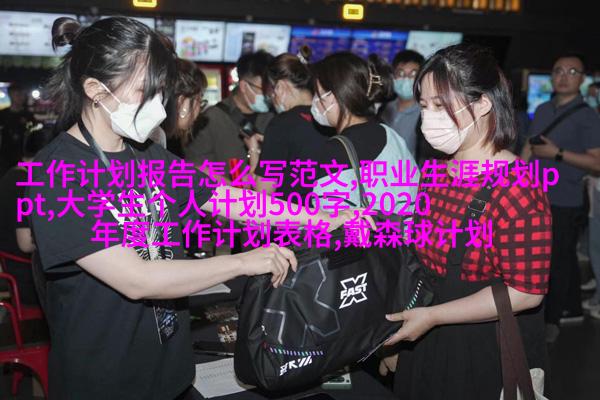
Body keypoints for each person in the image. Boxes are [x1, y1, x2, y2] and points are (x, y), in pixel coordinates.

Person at [30, 17, 361, 399]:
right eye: (144, 91)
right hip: (105, 377)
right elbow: (137, 279)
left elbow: (227, 199)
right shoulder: (56, 173)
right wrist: (243, 262)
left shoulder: (146, 154)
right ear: (95, 90)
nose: (158, 107)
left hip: (167, 368)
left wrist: (322, 218)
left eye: (161, 92)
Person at [380, 44, 552, 400]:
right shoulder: (434, 172)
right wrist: (397, 340)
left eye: (440, 105)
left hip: (480, 347)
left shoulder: (518, 187)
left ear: (483, 104)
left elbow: (527, 292)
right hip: (423, 332)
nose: (429, 118)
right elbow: (419, 261)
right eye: (424, 106)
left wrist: (434, 316)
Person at [521, 53, 600, 340]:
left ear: (582, 79)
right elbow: (530, 147)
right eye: (558, 71)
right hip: (534, 196)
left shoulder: (588, 116)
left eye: (572, 72)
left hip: (565, 199)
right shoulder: (543, 108)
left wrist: (558, 154)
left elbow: (597, 163)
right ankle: (566, 308)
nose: (564, 76)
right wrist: (515, 176)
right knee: (541, 258)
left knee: (557, 260)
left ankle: (553, 318)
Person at [309, 52, 419, 212]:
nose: (314, 101)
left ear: (333, 96)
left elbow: (331, 220)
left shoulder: (337, 150)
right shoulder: (390, 134)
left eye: (317, 94)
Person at [248, 46, 331, 201]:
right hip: (328, 210)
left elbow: (263, 192)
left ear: (280, 87)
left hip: (293, 214)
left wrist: (253, 152)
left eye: (271, 95)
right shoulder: (329, 117)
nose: (273, 102)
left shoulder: (281, 124)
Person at [184, 50, 274, 177]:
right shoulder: (210, 120)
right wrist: (233, 186)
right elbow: (197, 168)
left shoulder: (274, 119)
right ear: (244, 86)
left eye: (272, 89)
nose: (269, 95)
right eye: (263, 90)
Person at [0, 122, 53, 306]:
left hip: (13, 269)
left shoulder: (13, 175)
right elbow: (26, 243)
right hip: (25, 277)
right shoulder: (26, 184)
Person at [379, 50, 424, 159]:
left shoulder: (424, 114)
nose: (406, 79)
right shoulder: (384, 109)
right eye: (401, 73)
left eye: (413, 74)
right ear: (393, 76)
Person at [163, 58, 208, 156]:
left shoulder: (157, 136)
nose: (199, 110)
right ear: (181, 101)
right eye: (199, 100)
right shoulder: (164, 144)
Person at [0, 83, 37, 175]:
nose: (20, 97)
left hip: (24, 158)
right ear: (10, 95)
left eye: (22, 94)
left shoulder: (29, 116)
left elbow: (35, 137)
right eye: (17, 94)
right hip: (5, 158)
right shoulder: (2, 115)